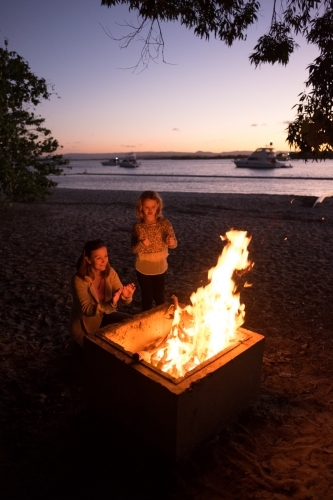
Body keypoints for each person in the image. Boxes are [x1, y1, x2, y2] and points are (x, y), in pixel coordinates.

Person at [70, 239, 136, 346]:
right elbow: (87, 309)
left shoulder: (110, 273)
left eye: (105, 256)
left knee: (131, 322)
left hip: (107, 315)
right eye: (98, 258)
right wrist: (109, 304)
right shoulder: (79, 279)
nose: (104, 261)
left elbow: (124, 300)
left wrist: (126, 296)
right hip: (86, 326)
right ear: (88, 260)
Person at [131, 190, 177, 311]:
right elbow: (133, 249)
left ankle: (161, 322)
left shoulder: (165, 224)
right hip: (143, 268)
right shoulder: (138, 227)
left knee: (159, 297)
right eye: (147, 207)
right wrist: (141, 244)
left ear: (158, 206)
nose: (150, 210)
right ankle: (145, 325)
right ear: (141, 207)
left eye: (153, 207)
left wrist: (171, 242)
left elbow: (174, 244)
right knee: (147, 298)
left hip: (160, 267)